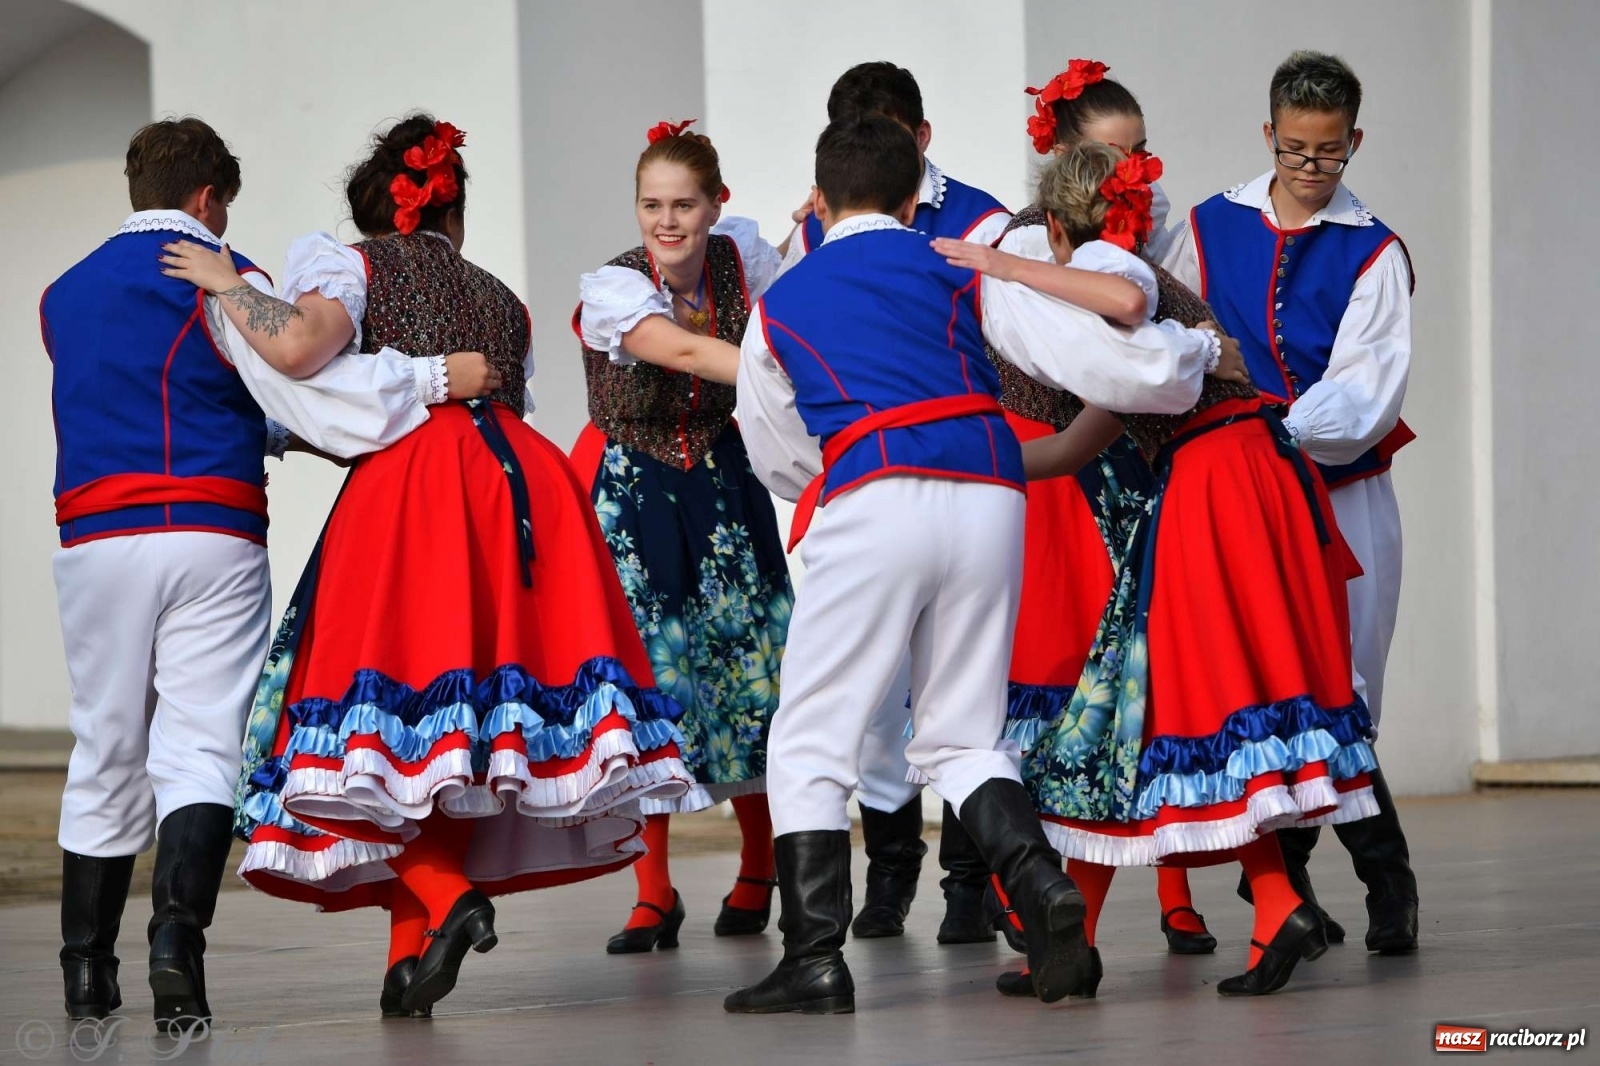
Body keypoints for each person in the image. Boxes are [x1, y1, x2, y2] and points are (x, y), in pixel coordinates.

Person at [162, 114, 696, 1018]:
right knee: (451, 737)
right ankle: (407, 959)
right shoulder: (497, 296)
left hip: (420, 492)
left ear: (378, 208)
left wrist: (223, 278)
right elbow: (508, 396)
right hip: (523, 491)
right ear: (452, 208)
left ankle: (449, 900)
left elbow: (297, 345)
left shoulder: (354, 266)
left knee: (354, 732)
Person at [728, 114, 1232, 1014]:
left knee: (810, 735)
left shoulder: (785, 299)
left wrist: (842, 480)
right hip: (993, 491)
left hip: (874, 487)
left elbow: (774, 447)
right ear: (915, 192)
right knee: (964, 734)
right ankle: (1042, 889)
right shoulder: (962, 265)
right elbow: (1087, 358)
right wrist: (1190, 351)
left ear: (822, 197)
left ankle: (812, 959)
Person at [43, 117, 490, 1033]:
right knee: (202, 746)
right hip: (214, 527)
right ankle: (177, 948)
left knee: (103, 745)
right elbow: (300, 392)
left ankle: (87, 974)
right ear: (209, 200)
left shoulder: (61, 295)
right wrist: (432, 384)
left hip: (95, 536)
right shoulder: (230, 277)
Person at [961, 140, 1381, 998]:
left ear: (1058, 232)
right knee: (1158, 708)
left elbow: (1111, 296)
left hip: (1220, 484)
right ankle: (1214, 916)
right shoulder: (1143, 331)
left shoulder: (1123, 280)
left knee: (1192, 697)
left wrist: (994, 261)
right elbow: (1081, 442)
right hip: (1239, 473)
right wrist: (970, 457)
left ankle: (1267, 906)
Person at [1161, 50, 1419, 954]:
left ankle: (1389, 887)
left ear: (1356, 141)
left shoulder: (1373, 249)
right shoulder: (1203, 224)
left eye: (1331, 152)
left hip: (1337, 493)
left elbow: (1367, 389)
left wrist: (1274, 431)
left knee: (1340, 687)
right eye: (1297, 149)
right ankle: (1292, 895)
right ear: (1269, 134)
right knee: (1268, 679)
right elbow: (1159, 320)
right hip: (1236, 496)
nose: (1312, 167)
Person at [986, 58, 1220, 956]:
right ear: (1064, 169)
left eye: (1143, 155)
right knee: (1064, 684)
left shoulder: (1157, 239)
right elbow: (1090, 361)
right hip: (1056, 475)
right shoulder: (1024, 248)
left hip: (1132, 465)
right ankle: (1041, 885)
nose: (1134, 179)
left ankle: (1176, 884)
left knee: (1149, 673)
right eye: (1111, 160)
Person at [783, 58, 1016, 948]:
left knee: (828, 721)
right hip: (978, 479)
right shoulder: (815, 234)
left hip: (891, 478)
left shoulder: (983, 225)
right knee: (929, 715)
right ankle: (903, 882)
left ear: (920, 142)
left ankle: (957, 892)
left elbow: (776, 410)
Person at [574, 119, 793, 953]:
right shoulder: (616, 289)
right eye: (650, 205)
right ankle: (653, 889)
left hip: (726, 484)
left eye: (683, 205)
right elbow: (684, 354)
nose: (666, 223)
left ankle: (760, 861)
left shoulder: (745, 261)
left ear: (716, 205)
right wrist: (790, 369)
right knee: (652, 676)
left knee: (749, 668)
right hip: (636, 489)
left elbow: (772, 314)